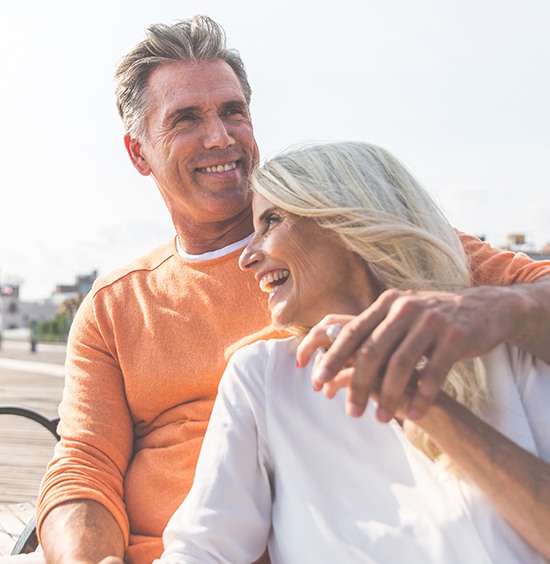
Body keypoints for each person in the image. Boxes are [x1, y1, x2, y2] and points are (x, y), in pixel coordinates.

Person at [23, 15, 550, 564]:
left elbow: (528, 292)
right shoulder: (114, 307)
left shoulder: (349, 238)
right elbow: (84, 467)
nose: (220, 137)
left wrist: (491, 308)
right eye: (186, 118)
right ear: (138, 153)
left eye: (233, 111)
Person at [161, 142, 550, 563]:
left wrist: (429, 408)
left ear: (346, 220)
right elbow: (202, 551)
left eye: (271, 221)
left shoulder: (504, 350)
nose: (247, 257)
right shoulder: (264, 379)